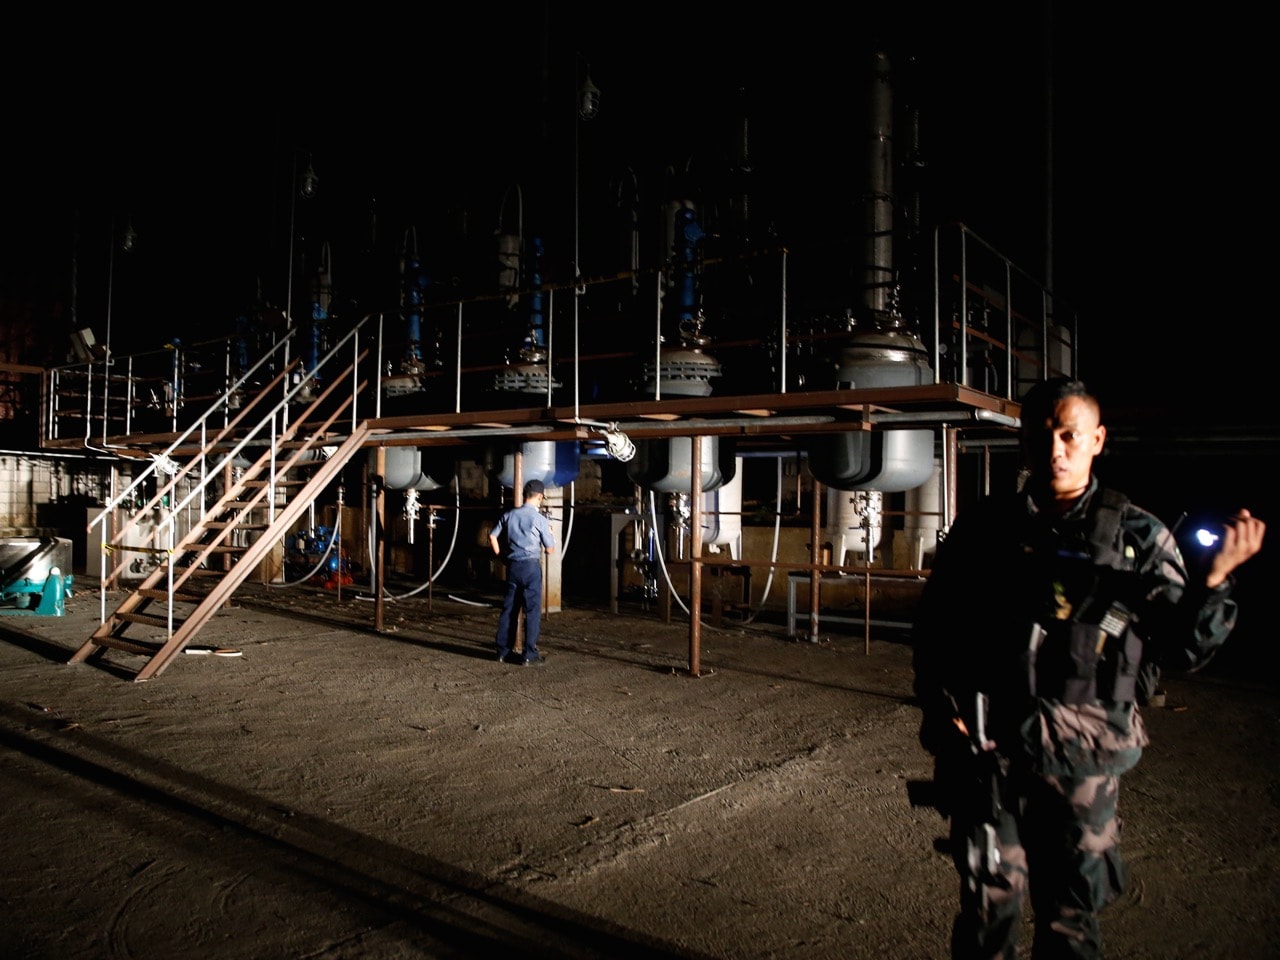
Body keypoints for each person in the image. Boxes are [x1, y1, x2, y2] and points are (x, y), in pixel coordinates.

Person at [910, 377, 1265, 959]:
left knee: (1070, 917)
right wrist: (940, 715)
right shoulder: (984, 529)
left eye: (1070, 436)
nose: (1055, 450)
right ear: (1022, 440)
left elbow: (1181, 651)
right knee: (986, 910)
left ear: (1097, 440)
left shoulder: (1136, 535)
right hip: (988, 753)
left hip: (1084, 764)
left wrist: (1215, 582)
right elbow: (936, 633)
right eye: (1041, 435)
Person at [490, 478, 556, 666]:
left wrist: (501, 555)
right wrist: (549, 532)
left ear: (525, 495)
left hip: (512, 566)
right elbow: (549, 549)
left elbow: (492, 536)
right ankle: (529, 654)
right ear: (540, 497)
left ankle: (503, 651)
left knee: (510, 608)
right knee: (532, 611)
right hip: (530, 567)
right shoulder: (540, 520)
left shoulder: (509, 515)